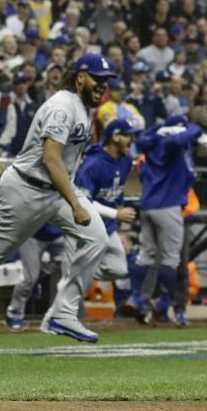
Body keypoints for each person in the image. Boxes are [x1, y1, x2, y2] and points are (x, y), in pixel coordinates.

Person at [0, 52, 116, 355]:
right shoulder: (62, 107)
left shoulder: (83, 107)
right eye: (97, 79)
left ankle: (63, 313)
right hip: (26, 188)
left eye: (106, 81)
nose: (102, 86)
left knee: (97, 237)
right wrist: (77, 204)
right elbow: (51, 158)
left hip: (54, 190)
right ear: (80, 77)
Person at [132, 114, 201, 325]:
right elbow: (193, 131)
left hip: (149, 206)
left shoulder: (150, 142)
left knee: (147, 255)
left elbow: (143, 141)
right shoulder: (171, 143)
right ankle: (163, 302)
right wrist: (183, 126)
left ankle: (139, 300)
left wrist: (160, 127)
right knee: (173, 260)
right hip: (170, 206)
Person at [74, 117, 140, 286]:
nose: (132, 140)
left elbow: (116, 193)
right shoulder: (92, 165)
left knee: (119, 269)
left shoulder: (125, 161)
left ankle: (78, 270)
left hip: (108, 226)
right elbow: (83, 202)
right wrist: (116, 214)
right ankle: (74, 272)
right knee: (76, 286)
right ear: (115, 137)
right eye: (128, 136)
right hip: (87, 226)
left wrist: (119, 224)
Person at [4, 224, 64, 330]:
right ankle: (14, 314)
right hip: (32, 234)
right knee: (29, 278)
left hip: (60, 234)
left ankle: (64, 316)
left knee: (66, 271)